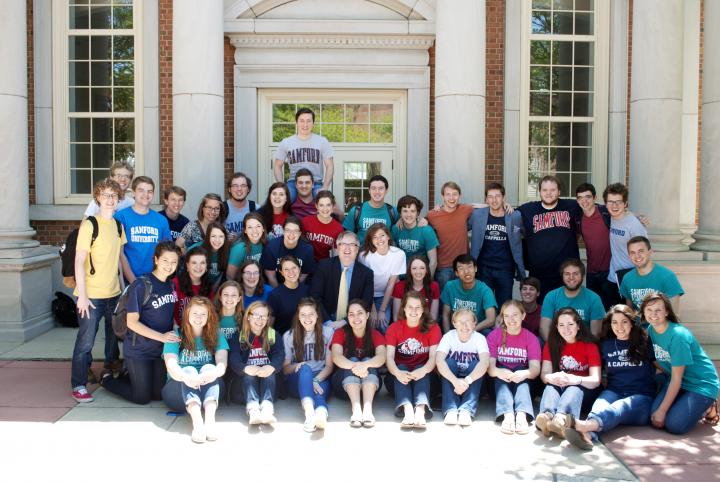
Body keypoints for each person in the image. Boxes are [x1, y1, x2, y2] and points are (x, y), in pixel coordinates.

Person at [565, 304, 657, 450]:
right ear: (610, 324)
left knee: (619, 407)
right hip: (615, 391)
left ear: (632, 323)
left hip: (641, 397)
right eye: (615, 322)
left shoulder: (644, 342)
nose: (619, 326)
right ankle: (588, 436)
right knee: (599, 406)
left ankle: (584, 425)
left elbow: (660, 368)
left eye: (624, 321)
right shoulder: (606, 345)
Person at [101, 242, 181, 404]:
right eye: (165, 261)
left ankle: (131, 376)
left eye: (174, 262)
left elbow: (167, 313)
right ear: (156, 260)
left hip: (159, 350)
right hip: (139, 350)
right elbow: (132, 323)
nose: (169, 265)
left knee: (158, 395)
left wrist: (175, 327)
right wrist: (162, 337)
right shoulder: (141, 285)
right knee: (142, 397)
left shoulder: (170, 284)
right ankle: (108, 380)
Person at [71, 178, 126, 402]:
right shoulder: (89, 224)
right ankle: (78, 384)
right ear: (98, 198)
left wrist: (123, 291)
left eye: (114, 195)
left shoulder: (118, 225)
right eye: (105, 195)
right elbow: (78, 261)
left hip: (113, 294)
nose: (110, 199)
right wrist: (82, 296)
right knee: (85, 342)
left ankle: (109, 373)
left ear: (118, 199)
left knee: (113, 340)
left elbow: (119, 261)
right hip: (91, 296)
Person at [641, 293, 719, 435]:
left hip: (700, 384)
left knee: (674, 425)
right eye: (649, 310)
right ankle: (685, 404)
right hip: (679, 381)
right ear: (643, 312)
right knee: (654, 415)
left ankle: (709, 407)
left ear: (667, 312)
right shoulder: (652, 330)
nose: (653, 314)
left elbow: (676, 378)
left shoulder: (678, 336)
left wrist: (663, 410)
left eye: (658, 310)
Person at [161, 296, 228, 443]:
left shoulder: (216, 335)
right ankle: (198, 424)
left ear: (209, 316)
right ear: (187, 314)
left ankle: (210, 423)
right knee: (189, 370)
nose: (199, 318)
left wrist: (213, 373)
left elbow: (222, 364)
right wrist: (187, 377)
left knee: (210, 367)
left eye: (203, 314)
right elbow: (171, 366)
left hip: (208, 391)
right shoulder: (176, 336)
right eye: (195, 313)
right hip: (177, 391)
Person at [535, 308, 601, 439]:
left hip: (583, 389)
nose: (566, 329)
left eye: (570, 324)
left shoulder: (590, 346)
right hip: (561, 385)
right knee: (550, 386)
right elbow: (545, 375)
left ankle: (562, 419)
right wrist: (552, 377)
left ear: (578, 326)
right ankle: (546, 417)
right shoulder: (551, 344)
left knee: (573, 388)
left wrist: (575, 379)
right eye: (561, 325)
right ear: (557, 327)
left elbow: (596, 380)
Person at [517, 175, 581, 301]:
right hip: (539, 273)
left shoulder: (572, 206)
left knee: (567, 311)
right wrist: (506, 206)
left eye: (552, 190)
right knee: (543, 312)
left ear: (559, 192)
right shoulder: (527, 209)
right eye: (545, 190)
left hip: (566, 273)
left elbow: (591, 212)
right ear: (539, 192)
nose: (548, 193)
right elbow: (508, 216)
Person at [385, 292, 442, 429]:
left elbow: (434, 358)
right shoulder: (394, 328)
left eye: (418, 307)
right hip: (399, 378)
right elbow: (389, 358)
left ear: (423, 309)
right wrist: (397, 373)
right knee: (402, 366)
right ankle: (407, 410)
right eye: (410, 307)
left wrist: (423, 370)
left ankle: (420, 410)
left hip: (426, 378)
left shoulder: (433, 328)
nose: (414, 311)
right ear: (403, 308)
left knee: (421, 367)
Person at [487, 300, 541, 435]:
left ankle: (522, 414)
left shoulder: (531, 338)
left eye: (515, 315)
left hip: (523, 384)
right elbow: (490, 368)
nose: (511, 320)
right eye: (506, 316)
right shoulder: (494, 336)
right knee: (501, 373)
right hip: (499, 385)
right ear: (502, 318)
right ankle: (508, 415)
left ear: (523, 316)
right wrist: (500, 372)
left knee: (519, 369)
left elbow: (535, 370)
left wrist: (524, 374)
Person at [330, 299, 387, 427]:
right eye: (351, 314)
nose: (356, 317)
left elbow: (382, 357)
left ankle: (367, 410)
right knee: (354, 359)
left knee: (367, 360)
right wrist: (355, 366)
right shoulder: (340, 333)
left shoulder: (375, 334)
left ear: (367, 315)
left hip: (371, 387)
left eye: (360, 313)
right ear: (348, 317)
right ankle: (356, 409)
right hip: (343, 387)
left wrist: (365, 365)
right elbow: (336, 357)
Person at [282, 298, 334, 433]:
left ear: (317, 314)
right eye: (303, 314)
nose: (307, 318)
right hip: (298, 379)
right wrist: (298, 366)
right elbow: (286, 368)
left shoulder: (328, 333)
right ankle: (310, 414)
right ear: (298, 317)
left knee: (319, 392)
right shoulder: (289, 335)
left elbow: (329, 366)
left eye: (311, 314)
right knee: (305, 368)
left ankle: (321, 415)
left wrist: (315, 380)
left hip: (320, 377)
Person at [469, 182, 525, 308]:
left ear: (503, 197)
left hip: (505, 269)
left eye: (498, 196)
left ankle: (502, 328)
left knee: (504, 307)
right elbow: (459, 217)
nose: (494, 200)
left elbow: (527, 233)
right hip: (483, 268)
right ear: (486, 199)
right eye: (490, 197)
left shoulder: (515, 216)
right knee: (484, 306)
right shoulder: (477, 215)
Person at [227, 300, 284, 425]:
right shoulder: (239, 336)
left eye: (264, 316)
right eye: (256, 315)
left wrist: (272, 366)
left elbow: (279, 355)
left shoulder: (273, 335)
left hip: (268, 382)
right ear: (248, 316)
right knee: (249, 375)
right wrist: (246, 368)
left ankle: (267, 409)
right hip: (246, 383)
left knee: (269, 374)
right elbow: (233, 359)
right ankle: (253, 410)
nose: (260, 319)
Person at [436, 309, 490, 427]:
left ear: (474, 323)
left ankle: (466, 409)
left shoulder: (480, 338)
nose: (464, 326)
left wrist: (466, 381)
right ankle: (451, 409)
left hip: (471, 382)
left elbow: (485, 363)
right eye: (460, 322)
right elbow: (439, 361)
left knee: (476, 363)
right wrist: (455, 381)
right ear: (454, 323)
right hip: (452, 382)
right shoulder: (448, 336)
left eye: (468, 321)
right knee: (449, 362)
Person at [115, 176, 172, 282]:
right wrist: (134, 282)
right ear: (133, 193)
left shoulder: (161, 220)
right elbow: (118, 254)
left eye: (149, 191)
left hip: (155, 279)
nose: (146, 195)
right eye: (141, 190)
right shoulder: (121, 217)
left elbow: (167, 252)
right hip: (128, 280)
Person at [310, 231, 374, 324]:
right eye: (343, 244)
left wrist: (344, 322)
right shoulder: (324, 266)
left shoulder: (367, 274)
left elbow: (366, 304)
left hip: (352, 322)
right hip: (325, 320)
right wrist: (327, 322)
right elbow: (315, 296)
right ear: (338, 247)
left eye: (352, 244)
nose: (347, 248)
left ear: (357, 249)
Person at [274, 107, 334, 201]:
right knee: (283, 198)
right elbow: (277, 166)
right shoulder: (286, 142)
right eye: (302, 121)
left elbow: (330, 166)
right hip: (293, 182)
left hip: (315, 182)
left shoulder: (322, 141)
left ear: (313, 123)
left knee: (325, 201)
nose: (305, 124)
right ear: (296, 123)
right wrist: (281, 186)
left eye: (308, 121)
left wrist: (325, 187)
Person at [540, 259, 605, 339]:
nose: (571, 277)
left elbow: (595, 333)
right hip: (558, 343)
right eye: (567, 274)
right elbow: (544, 328)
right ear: (562, 276)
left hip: (584, 344)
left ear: (583, 276)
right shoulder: (551, 296)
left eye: (575, 274)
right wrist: (552, 347)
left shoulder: (594, 298)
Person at [359, 223, 406, 333]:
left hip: (384, 295)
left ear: (388, 236)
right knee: (370, 324)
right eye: (374, 237)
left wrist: (382, 311)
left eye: (382, 235)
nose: (379, 239)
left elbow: (391, 284)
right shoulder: (364, 256)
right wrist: (373, 310)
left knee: (382, 323)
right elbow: (366, 285)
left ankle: (384, 349)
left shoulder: (398, 254)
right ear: (371, 240)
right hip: (366, 294)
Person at [427, 181, 474, 291]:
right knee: (444, 304)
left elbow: (487, 207)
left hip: (463, 266)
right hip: (443, 267)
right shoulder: (433, 215)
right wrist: (401, 220)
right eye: (448, 194)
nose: (451, 198)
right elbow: (417, 221)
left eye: (455, 194)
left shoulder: (465, 209)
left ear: (459, 196)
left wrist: (505, 204)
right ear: (442, 196)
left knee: (462, 302)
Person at [575, 183, 615, 309]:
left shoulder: (606, 213)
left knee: (613, 310)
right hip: (592, 273)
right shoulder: (578, 219)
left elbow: (624, 215)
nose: (584, 201)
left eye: (588, 197)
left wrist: (638, 217)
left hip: (610, 272)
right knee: (595, 310)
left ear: (595, 198)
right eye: (580, 198)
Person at [620, 236, 685, 313]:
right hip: (637, 324)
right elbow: (629, 312)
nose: (637, 256)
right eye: (632, 252)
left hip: (660, 324)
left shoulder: (667, 276)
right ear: (629, 256)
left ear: (650, 252)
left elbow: (674, 314)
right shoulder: (627, 278)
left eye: (641, 251)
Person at [604, 183, 648, 288]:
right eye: (610, 202)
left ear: (625, 204)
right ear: (605, 204)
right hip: (613, 277)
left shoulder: (634, 225)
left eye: (618, 202)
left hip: (631, 278)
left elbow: (644, 254)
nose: (614, 206)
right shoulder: (608, 217)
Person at [440, 254, 497, 334]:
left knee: (488, 332)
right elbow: (445, 315)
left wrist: (471, 331)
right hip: (457, 329)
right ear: (456, 273)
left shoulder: (485, 290)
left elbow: (491, 319)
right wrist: (447, 337)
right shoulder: (450, 286)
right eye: (461, 268)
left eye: (469, 267)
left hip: (477, 329)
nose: (466, 272)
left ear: (475, 269)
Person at [391, 195, 439, 277]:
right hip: (401, 276)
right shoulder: (396, 229)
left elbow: (433, 261)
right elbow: (391, 257)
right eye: (405, 211)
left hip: (420, 276)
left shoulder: (426, 231)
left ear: (417, 213)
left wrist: (427, 283)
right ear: (400, 213)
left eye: (412, 211)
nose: (409, 214)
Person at [342, 174, 399, 244]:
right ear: (369, 190)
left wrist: (402, 220)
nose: (377, 192)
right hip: (362, 253)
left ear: (386, 191)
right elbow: (347, 236)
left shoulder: (393, 211)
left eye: (381, 188)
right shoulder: (356, 211)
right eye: (373, 188)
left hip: (384, 253)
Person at [261, 216, 315, 287]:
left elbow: (304, 274)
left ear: (299, 233)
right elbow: (271, 277)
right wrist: (280, 293)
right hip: (276, 285)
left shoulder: (307, 249)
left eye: (295, 231)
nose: (291, 234)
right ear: (283, 231)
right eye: (288, 230)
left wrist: (294, 288)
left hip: (296, 285)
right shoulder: (271, 248)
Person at [267, 255, 310, 335]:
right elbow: (270, 325)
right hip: (284, 341)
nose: (291, 272)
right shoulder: (275, 295)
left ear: (299, 269)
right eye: (286, 269)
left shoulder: (308, 291)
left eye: (294, 268)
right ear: (281, 272)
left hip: (307, 338)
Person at [392, 255, 440, 322]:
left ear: (426, 270)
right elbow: (396, 317)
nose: (418, 271)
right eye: (414, 268)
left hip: (425, 325)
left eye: (422, 268)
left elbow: (433, 317)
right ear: (410, 271)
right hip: (405, 325)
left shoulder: (434, 286)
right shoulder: (399, 286)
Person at [172, 246, 212, 325]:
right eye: (194, 263)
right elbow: (169, 312)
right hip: (177, 331)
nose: (198, 267)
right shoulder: (175, 283)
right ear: (187, 265)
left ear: (206, 266)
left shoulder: (208, 286)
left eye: (202, 263)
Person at [302, 190, 344, 262]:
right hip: (305, 263)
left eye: (328, 205)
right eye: (321, 205)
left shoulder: (338, 228)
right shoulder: (306, 222)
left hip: (324, 266)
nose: (325, 209)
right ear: (316, 206)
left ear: (333, 206)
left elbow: (337, 254)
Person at [187, 222, 231, 288]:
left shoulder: (227, 251)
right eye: (213, 236)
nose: (217, 240)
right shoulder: (196, 249)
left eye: (221, 236)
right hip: (194, 287)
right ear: (208, 236)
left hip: (214, 289)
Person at [227, 211, 267, 280]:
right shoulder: (239, 248)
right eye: (250, 227)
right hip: (241, 285)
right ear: (245, 230)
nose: (254, 231)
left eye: (258, 226)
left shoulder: (266, 242)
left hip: (258, 282)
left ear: (263, 228)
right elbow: (230, 276)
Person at [223, 172, 257, 238]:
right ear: (229, 189)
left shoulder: (256, 208)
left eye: (243, 185)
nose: (239, 189)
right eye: (235, 186)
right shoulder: (221, 208)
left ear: (248, 189)